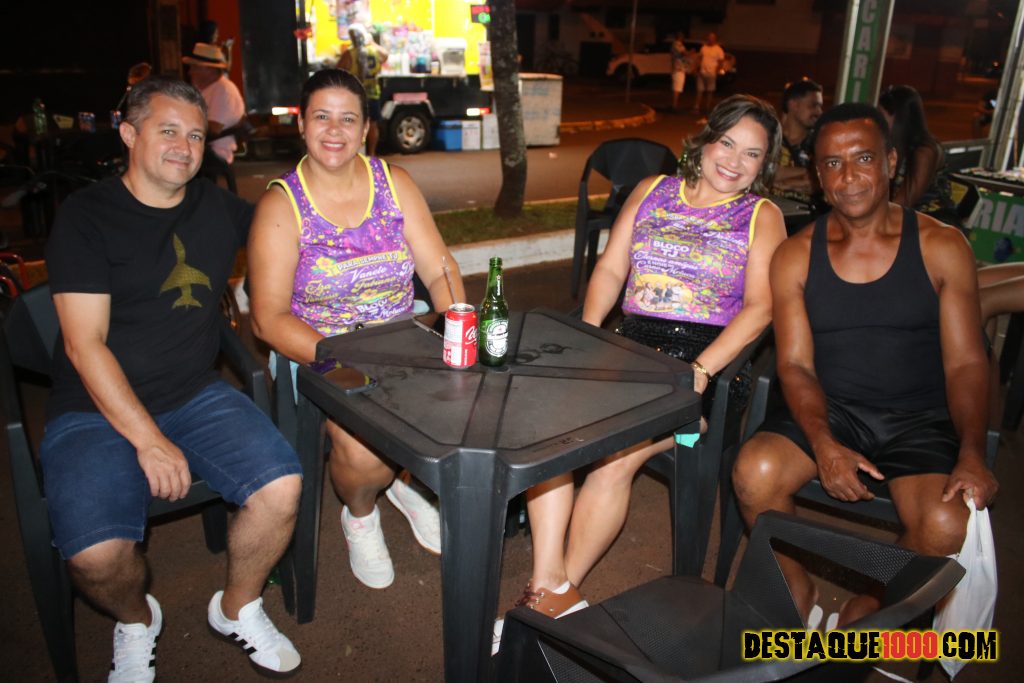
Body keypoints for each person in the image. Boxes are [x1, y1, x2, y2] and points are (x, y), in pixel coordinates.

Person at [493, 94, 786, 652]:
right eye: (727, 143)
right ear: (705, 140)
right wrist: (587, 333)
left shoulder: (761, 216)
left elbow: (761, 309)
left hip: (706, 371)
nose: (734, 161)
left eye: (752, 154)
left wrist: (699, 370)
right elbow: (610, 268)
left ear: (763, 164)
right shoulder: (653, 190)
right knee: (549, 431)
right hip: (627, 350)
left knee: (614, 456)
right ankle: (551, 584)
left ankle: (548, 597)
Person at [41, 76, 303, 681]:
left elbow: (290, 226)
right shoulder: (86, 217)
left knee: (281, 488)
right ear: (129, 134)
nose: (184, 147)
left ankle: (237, 607)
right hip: (92, 408)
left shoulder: (215, 206)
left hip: (193, 393)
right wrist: (149, 440)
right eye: (167, 131)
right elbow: (84, 345)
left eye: (195, 135)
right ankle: (136, 619)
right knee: (95, 557)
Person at [731, 102, 997, 629]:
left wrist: (971, 452)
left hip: (920, 418)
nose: (848, 177)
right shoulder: (796, 254)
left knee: (946, 524)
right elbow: (796, 365)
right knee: (753, 473)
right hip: (830, 410)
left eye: (863, 158)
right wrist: (823, 443)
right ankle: (795, 584)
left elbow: (968, 363)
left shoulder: (942, 246)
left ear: (891, 162)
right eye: (832, 163)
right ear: (817, 174)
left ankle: (871, 604)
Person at [248, 69, 465, 590]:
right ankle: (362, 511)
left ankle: (400, 481)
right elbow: (268, 318)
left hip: (401, 339)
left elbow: (439, 269)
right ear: (302, 125)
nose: (334, 130)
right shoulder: (282, 205)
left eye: (348, 119)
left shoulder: (395, 183)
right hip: (321, 351)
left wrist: (458, 324)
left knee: (466, 407)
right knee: (366, 449)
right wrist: (345, 359)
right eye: (321, 116)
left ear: (366, 128)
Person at [183, 42, 245, 165]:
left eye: (194, 67)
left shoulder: (223, 90)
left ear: (209, 69)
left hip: (214, 153)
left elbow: (213, 129)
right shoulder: (209, 88)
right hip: (204, 150)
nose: (190, 72)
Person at [771, 78, 824, 206]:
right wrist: (808, 172)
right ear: (793, 105)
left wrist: (782, 183)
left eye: (820, 106)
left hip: (808, 215)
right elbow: (763, 173)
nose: (819, 112)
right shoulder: (769, 137)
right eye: (813, 105)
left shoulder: (820, 143)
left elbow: (822, 179)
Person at [339, 24, 388, 156]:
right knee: (372, 124)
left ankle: (356, 153)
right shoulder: (374, 51)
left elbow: (338, 71)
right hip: (372, 93)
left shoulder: (350, 54)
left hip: (355, 96)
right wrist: (372, 42)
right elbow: (385, 55)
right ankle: (371, 153)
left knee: (354, 124)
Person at [693, 32, 725, 118]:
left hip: (711, 73)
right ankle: (696, 107)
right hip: (702, 72)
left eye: (712, 38)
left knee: (710, 91)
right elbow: (700, 59)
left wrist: (716, 71)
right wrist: (696, 68)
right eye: (709, 37)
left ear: (715, 39)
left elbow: (721, 62)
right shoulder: (704, 48)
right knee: (699, 90)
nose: (710, 39)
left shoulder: (718, 49)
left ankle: (707, 108)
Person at [670, 32, 690, 112]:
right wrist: (691, 52)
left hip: (678, 68)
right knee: (677, 88)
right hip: (678, 69)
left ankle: (674, 104)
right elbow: (684, 53)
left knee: (677, 87)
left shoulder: (675, 44)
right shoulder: (677, 44)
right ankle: (674, 105)